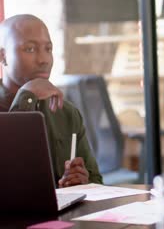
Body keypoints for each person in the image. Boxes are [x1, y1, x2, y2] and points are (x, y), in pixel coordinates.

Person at [0, 14, 102, 187]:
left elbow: (97, 181)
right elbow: (10, 177)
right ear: (3, 57)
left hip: (62, 214)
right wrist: (25, 98)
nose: (44, 59)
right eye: (30, 49)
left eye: (48, 49)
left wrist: (82, 182)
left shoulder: (66, 112)